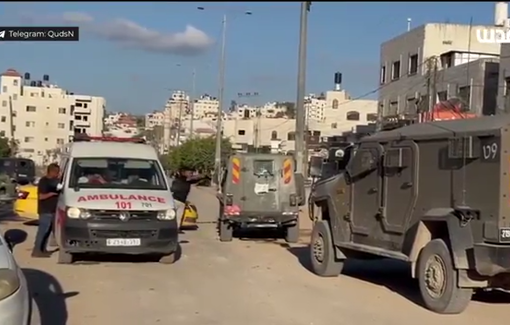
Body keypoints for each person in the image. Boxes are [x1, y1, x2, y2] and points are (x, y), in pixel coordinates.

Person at [32, 163, 60, 258]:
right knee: (42, 231)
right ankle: (36, 250)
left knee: (48, 231)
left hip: (52, 210)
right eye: (56, 172)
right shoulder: (44, 181)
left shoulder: (55, 182)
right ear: (51, 171)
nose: (57, 174)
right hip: (45, 210)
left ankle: (43, 249)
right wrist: (51, 194)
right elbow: (41, 196)